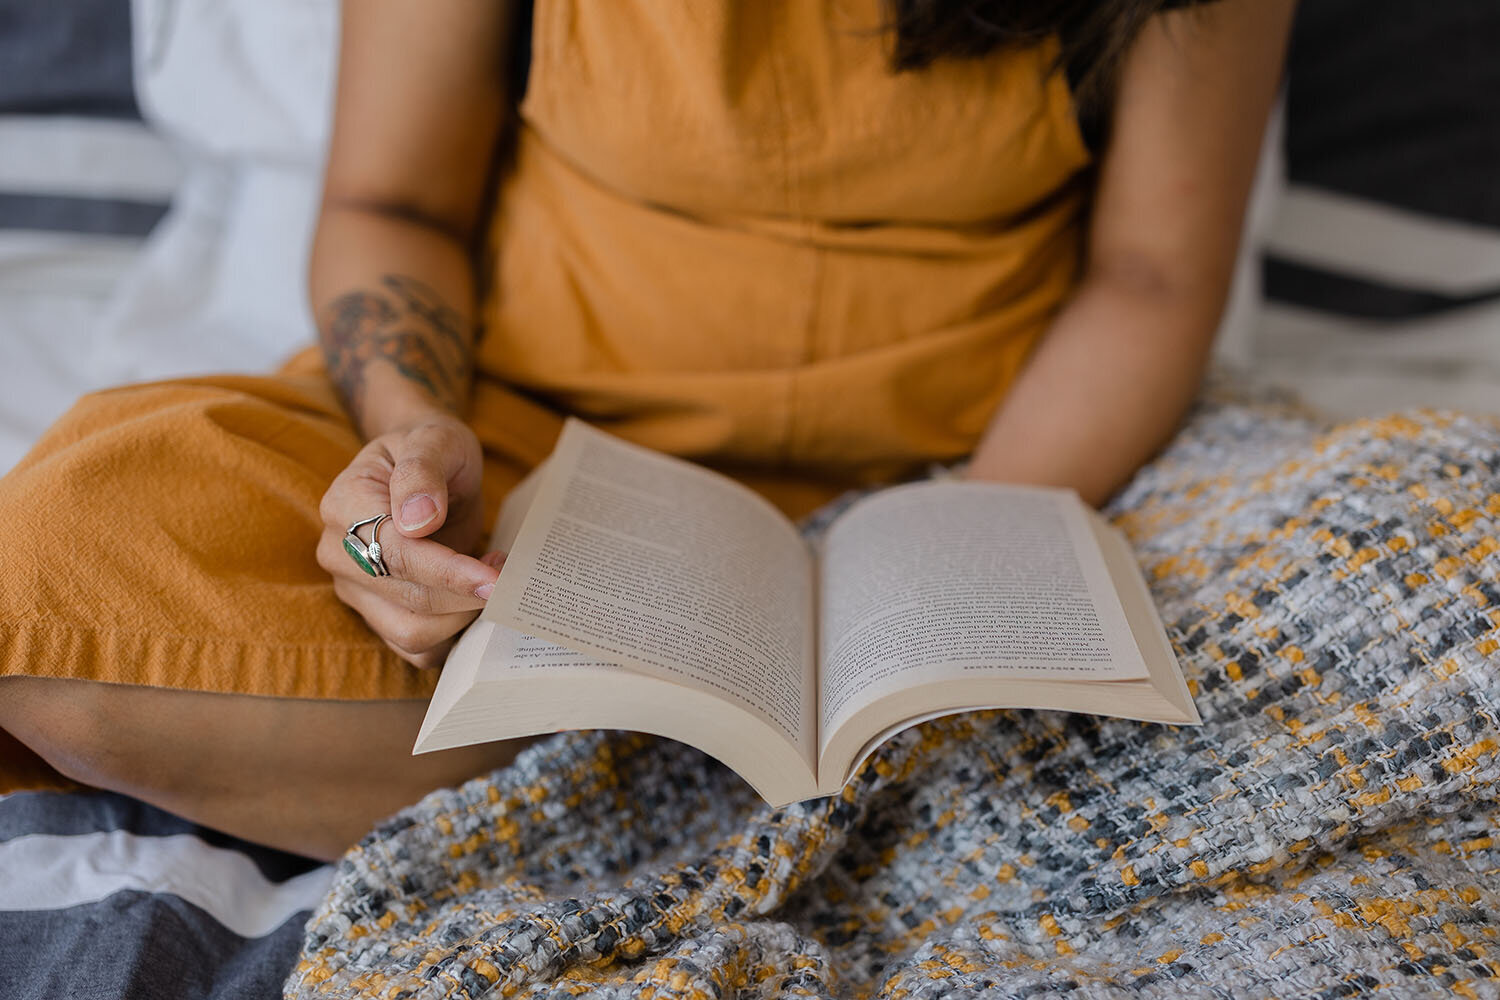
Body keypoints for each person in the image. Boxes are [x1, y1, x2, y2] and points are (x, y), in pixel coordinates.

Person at [0, 0, 1294, 861]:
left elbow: (1152, 281)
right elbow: (391, 198)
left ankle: (647, 772)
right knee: (60, 554)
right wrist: (407, 446)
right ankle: (768, 792)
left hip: (974, 480)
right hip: (524, 446)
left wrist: (964, 563)